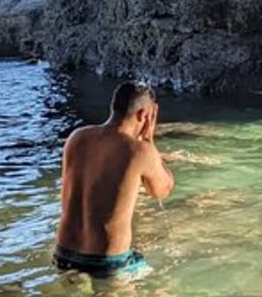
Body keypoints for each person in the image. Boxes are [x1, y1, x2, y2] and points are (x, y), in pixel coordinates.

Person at [54, 80, 175, 277]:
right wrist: (150, 141)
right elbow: (162, 190)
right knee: (159, 286)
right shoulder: (139, 151)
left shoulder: (77, 138)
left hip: (64, 254)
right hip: (107, 262)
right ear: (144, 115)